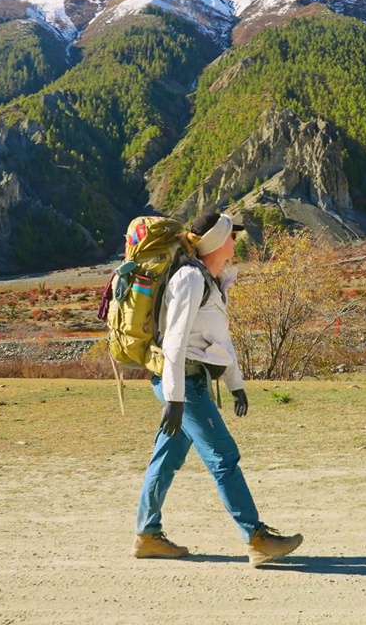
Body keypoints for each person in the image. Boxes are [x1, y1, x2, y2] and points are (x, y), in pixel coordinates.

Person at [132, 211, 304, 567]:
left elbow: (217, 340)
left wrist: (234, 384)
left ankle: (147, 536)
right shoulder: (190, 280)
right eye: (231, 235)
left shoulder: (210, 279)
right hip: (183, 385)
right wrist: (175, 399)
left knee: (166, 458)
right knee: (224, 458)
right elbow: (176, 343)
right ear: (215, 241)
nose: (235, 241)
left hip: (187, 382)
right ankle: (256, 538)